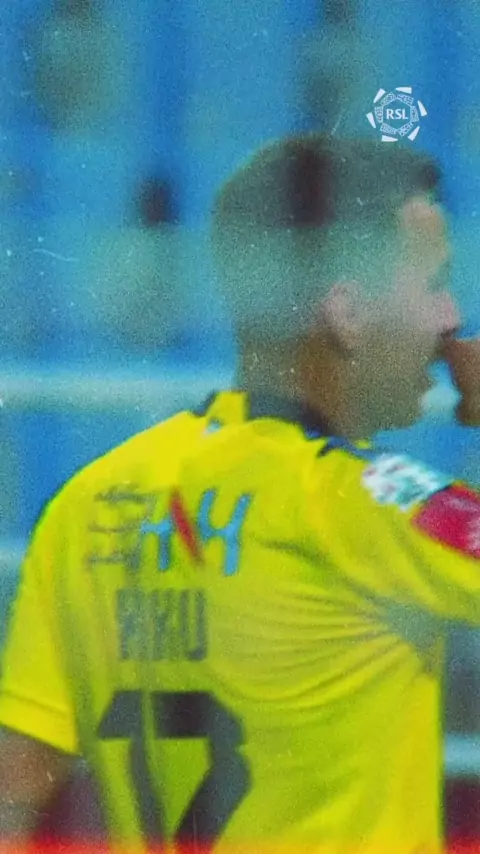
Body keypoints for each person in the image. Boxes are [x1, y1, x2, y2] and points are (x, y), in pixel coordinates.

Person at [0, 133, 478, 854]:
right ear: (347, 313)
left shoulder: (91, 501)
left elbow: (15, 789)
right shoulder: (365, 499)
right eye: (435, 282)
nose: (451, 318)